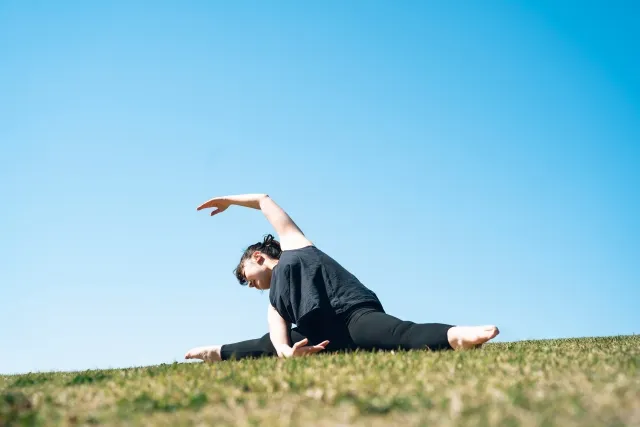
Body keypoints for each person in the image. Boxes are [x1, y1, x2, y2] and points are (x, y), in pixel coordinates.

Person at [185, 193, 499, 362]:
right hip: (321, 337)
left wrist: (229, 199)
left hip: (352, 316)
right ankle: (217, 352)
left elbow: (265, 201)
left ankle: (456, 336)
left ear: (258, 257)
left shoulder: (295, 246)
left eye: (246, 275)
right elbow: (278, 338)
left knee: (401, 334)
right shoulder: (275, 300)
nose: (249, 283)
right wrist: (287, 353)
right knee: (264, 345)